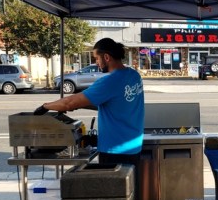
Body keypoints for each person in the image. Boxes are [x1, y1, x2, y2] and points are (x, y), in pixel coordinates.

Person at [34, 38, 145, 169]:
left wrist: (45, 106)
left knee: (115, 189)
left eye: (96, 58)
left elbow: (69, 103)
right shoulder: (133, 75)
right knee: (131, 188)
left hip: (115, 150)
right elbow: (117, 104)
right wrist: (81, 104)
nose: (96, 62)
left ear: (106, 57)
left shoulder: (109, 82)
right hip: (134, 146)